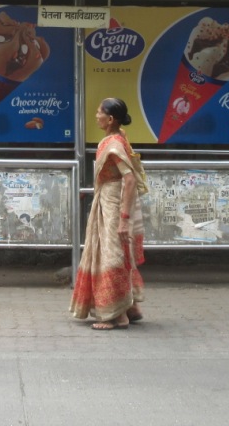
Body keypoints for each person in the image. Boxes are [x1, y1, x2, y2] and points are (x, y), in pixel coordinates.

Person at [70, 97, 146, 329]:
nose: (96, 116)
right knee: (120, 252)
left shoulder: (112, 143)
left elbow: (130, 179)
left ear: (110, 119)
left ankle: (116, 314)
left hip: (114, 205)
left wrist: (123, 219)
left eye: (99, 112)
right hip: (109, 198)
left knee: (111, 254)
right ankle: (131, 307)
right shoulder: (120, 137)